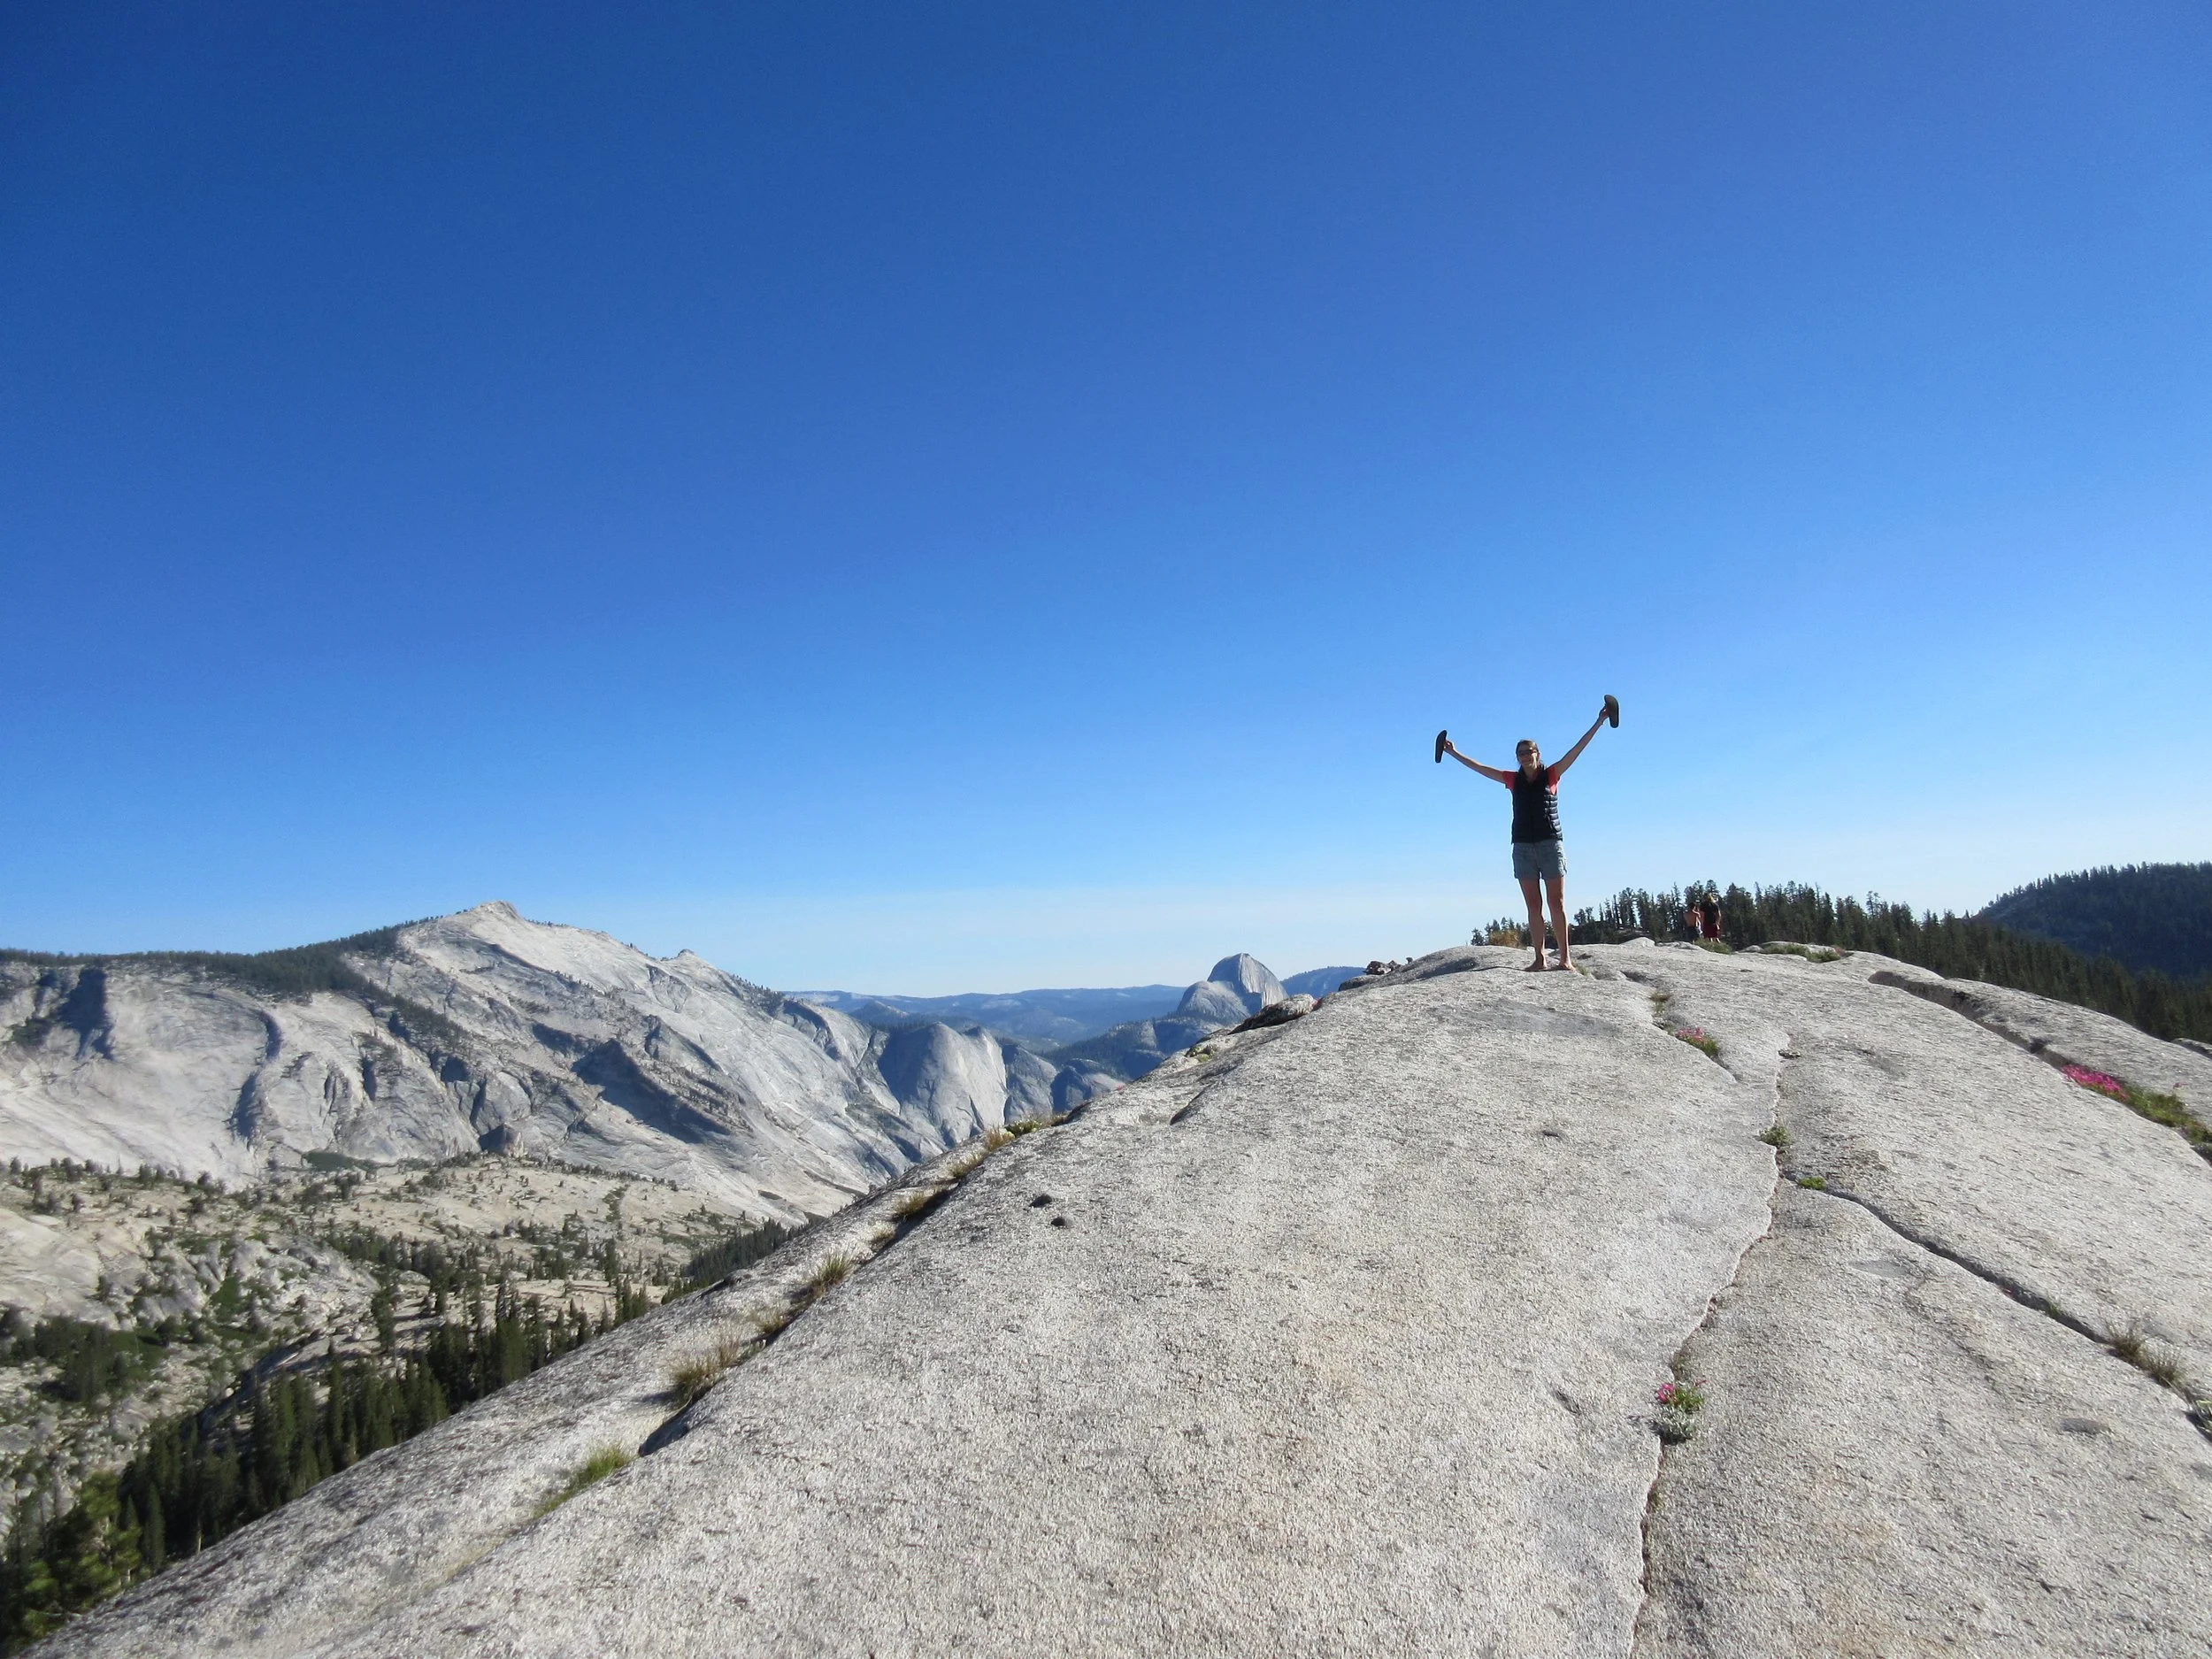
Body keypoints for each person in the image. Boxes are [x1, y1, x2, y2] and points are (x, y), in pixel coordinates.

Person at [1440, 702, 1612, 971]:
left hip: (1550, 844)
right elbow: (1480, 768)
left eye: (1528, 752)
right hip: (1522, 847)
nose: (1524, 756)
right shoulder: (1512, 779)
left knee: (1557, 903)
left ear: (1537, 753)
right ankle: (1540, 958)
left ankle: (1565, 958)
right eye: (1520, 753)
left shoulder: (1552, 774)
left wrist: (1599, 722)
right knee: (1534, 906)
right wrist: (1454, 753)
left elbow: (1577, 750)